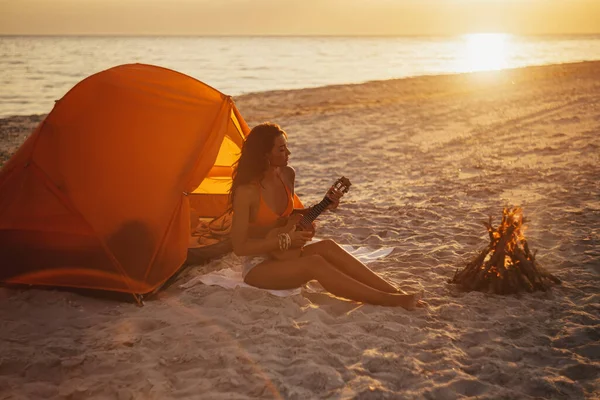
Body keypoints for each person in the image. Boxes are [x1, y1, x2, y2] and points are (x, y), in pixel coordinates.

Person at [229, 122, 424, 309]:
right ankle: (389, 300)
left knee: (328, 246)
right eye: (281, 149)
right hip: (259, 264)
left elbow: (287, 216)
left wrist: (323, 206)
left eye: (286, 147)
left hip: (286, 254)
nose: (288, 153)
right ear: (264, 155)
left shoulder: (287, 174)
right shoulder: (246, 192)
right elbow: (240, 247)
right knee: (315, 263)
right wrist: (285, 240)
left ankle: (395, 291)